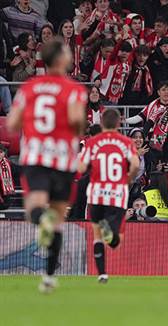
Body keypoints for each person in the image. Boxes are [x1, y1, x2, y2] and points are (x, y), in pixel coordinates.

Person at [7, 38, 88, 293]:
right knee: (56, 219)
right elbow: (76, 121)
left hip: (36, 159)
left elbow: (12, 123)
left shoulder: (30, 87)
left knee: (36, 211)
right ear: (62, 59)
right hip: (63, 160)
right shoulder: (73, 89)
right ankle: (50, 278)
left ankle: (41, 222)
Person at [78, 108, 140, 284]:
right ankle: (109, 233)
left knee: (97, 235)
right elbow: (135, 165)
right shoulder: (126, 142)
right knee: (115, 242)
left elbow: (81, 168)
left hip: (96, 195)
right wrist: (127, 178)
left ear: (102, 123)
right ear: (119, 123)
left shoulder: (92, 142)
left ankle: (102, 274)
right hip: (117, 194)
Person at [0, 143, 15, 210]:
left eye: (1, 152)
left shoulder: (8, 163)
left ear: (4, 153)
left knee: (6, 204)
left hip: (4, 194)